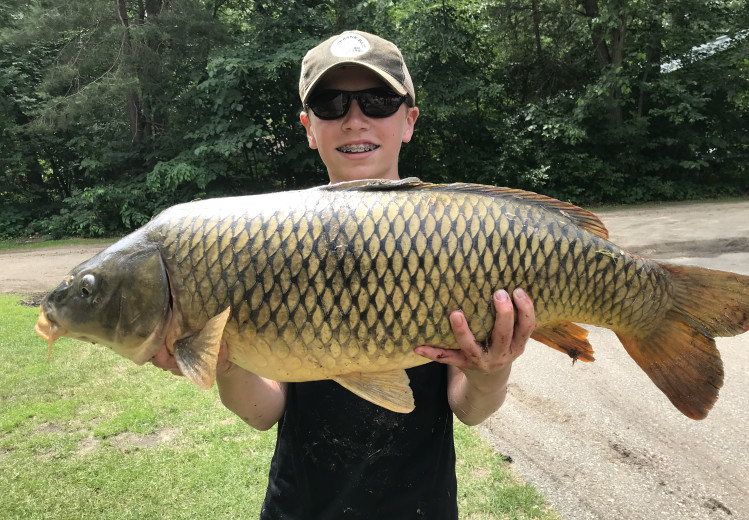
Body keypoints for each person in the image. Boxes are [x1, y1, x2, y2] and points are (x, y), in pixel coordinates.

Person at [151, 30, 536, 519]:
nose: (355, 120)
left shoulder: (448, 237)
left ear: (409, 120)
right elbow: (262, 412)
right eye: (332, 104)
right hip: (301, 505)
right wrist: (226, 363)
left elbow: (471, 408)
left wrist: (494, 365)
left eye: (377, 101)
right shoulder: (272, 239)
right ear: (309, 127)